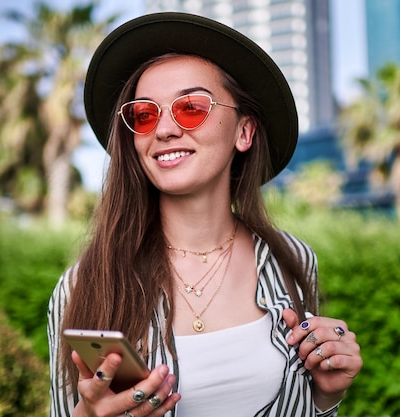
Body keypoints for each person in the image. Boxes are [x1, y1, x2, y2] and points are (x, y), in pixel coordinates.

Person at [47, 12, 362, 417]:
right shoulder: (84, 285)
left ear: (244, 132)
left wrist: (326, 397)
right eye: (144, 114)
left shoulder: (293, 260)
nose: (163, 130)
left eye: (191, 107)